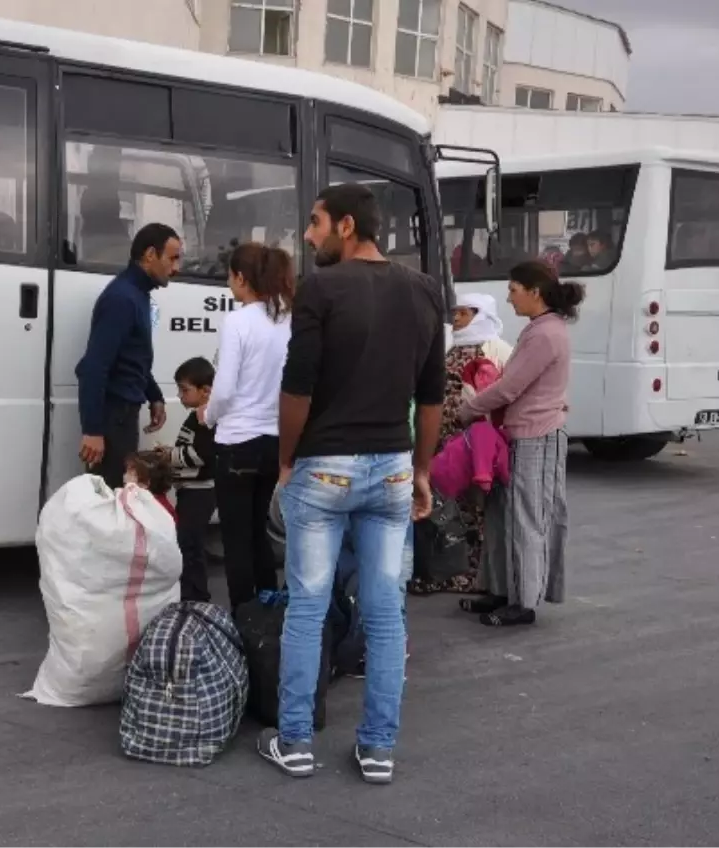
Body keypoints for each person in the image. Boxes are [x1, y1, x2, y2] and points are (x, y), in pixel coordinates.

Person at [257, 184, 444, 786]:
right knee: (388, 614)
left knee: (307, 608)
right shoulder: (423, 291)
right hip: (391, 467)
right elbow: (432, 395)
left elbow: (298, 388)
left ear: (344, 226)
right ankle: (377, 749)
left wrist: (287, 462)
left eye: (314, 224)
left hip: (325, 466)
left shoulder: (321, 289)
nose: (308, 236)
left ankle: (295, 743)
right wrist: (420, 470)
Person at [459, 260, 583, 627]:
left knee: (528, 518)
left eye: (514, 290)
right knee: (500, 515)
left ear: (535, 292)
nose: (509, 298)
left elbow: (510, 387)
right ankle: (499, 590)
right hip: (517, 434)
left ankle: (524, 601)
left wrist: (470, 409)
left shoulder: (546, 334)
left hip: (536, 436)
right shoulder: (539, 330)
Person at [202, 242, 294, 610]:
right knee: (258, 531)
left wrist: (208, 415)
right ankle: (268, 607)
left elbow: (223, 390)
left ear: (241, 277)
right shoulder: (288, 319)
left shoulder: (238, 321)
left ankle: (244, 616)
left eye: (229, 276)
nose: (228, 283)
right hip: (274, 441)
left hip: (237, 442)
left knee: (236, 538)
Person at [409, 292, 513, 596]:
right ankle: (448, 570)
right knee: (447, 510)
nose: (456, 319)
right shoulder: (452, 350)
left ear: (481, 314)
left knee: (478, 509)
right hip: (446, 446)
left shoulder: (499, 350)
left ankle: (477, 573)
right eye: (455, 313)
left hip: (477, 449)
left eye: (463, 313)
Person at [76, 224, 181, 490]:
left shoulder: (139, 295)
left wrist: (154, 395)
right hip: (113, 417)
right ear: (149, 255)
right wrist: (93, 430)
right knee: (112, 500)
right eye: (172, 258)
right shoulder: (121, 298)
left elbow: (133, 357)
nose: (176, 268)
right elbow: (94, 366)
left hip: (123, 414)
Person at [169, 356, 218, 603]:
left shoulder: (207, 419)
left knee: (190, 545)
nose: (180, 395)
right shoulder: (196, 416)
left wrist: (170, 455)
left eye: (184, 389)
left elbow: (203, 454)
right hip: (190, 489)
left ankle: (196, 597)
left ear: (206, 391)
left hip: (201, 491)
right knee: (186, 542)